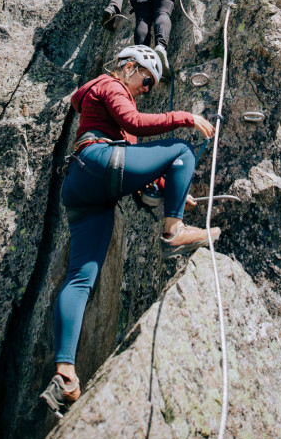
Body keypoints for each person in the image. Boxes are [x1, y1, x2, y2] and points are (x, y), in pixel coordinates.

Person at [39, 44, 218, 416]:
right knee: (183, 149)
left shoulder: (108, 103)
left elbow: (134, 175)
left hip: (85, 187)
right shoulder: (109, 83)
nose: (147, 89)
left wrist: (173, 190)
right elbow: (135, 125)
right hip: (98, 159)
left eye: (151, 84)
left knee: (80, 279)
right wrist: (184, 117)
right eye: (146, 79)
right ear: (129, 67)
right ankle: (174, 232)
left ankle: (65, 376)